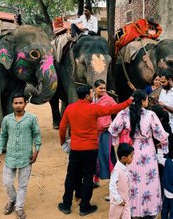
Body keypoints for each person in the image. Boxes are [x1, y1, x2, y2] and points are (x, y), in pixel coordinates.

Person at [58, 84, 133, 217]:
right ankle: (84, 207)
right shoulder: (94, 109)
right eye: (92, 93)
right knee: (88, 177)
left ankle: (66, 204)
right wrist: (129, 101)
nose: (93, 95)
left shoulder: (70, 108)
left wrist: (63, 142)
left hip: (75, 148)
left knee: (71, 175)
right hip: (91, 148)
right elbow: (113, 109)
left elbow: (63, 127)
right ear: (87, 95)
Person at [109, 90, 169, 219]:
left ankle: (132, 211)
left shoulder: (124, 113)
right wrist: (164, 149)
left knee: (131, 182)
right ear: (142, 101)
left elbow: (113, 129)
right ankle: (149, 210)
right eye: (146, 99)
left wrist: (116, 145)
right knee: (149, 181)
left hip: (131, 153)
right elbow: (162, 135)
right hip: (148, 152)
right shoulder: (151, 115)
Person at [0, 94, 41, 219]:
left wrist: (36, 151)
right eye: (16, 103)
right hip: (10, 157)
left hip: (25, 158)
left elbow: (37, 135)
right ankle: (12, 199)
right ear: (12, 104)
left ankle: (19, 207)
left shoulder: (31, 118)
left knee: (22, 185)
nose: (18, 105)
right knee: (7, 182)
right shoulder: (7, 119)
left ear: (25, 103)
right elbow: (3, 136)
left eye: (21, 103)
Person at [92, 79, 117, 188]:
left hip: (106, 133)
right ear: (95, 88)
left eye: (104, 88)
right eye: (100, 88)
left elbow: (119, 111)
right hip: (93, 133)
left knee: (107, 156)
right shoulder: (90, 99)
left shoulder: (109, 99)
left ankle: (114, 183)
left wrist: (112, 124)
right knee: (94, 157)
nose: (103, 90)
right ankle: (95, 179)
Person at [109, 143, 135, 219]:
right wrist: (118, 200)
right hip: (117, 203)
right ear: (124, 158)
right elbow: (112, 186)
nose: (133, 158)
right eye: (131, 156)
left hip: (125, 202)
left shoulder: (124, 167)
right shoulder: (116, 171)